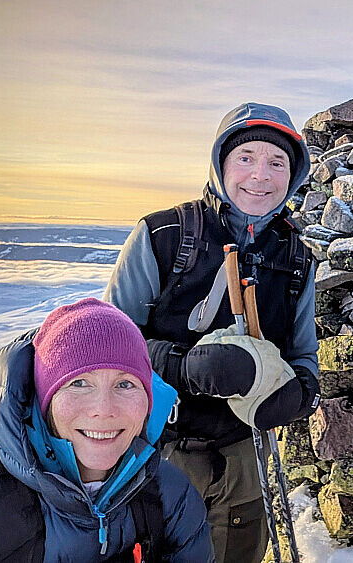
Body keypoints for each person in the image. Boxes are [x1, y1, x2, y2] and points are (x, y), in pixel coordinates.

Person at [104, 102, 320, 562]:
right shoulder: (165, 236)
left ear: (292, 175)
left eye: (276, 161)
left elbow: (304, 356)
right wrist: (183, 366)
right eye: (246, 157)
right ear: (220, 163)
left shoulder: (297, 258)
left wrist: (299, 395)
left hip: (245, 453)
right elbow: (107, 347)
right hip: (158, 451)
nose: (260, 175)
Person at [0, 298, 214, 562]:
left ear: (149, 400)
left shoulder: (170, 496)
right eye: (78, 383)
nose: (104, 409)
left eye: (125, 383)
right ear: (43, 400)